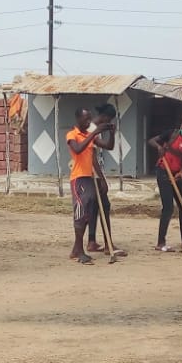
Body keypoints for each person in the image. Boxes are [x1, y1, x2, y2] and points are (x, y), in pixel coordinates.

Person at [67, 107, 116, 265]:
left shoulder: (90, 135)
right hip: (78, 178)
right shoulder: (72, 135)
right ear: (78, 120)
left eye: (90, 119)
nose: (89, 122)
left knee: (87, 214)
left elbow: (109, 146)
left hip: (88, 177)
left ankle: (77, 249)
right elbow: (78, 149)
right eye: (86, 120)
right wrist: (94, 133)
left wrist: (112, 134)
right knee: (80, 214)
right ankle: (80, 251)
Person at [149, 115, 182, 252]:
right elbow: (151, 141)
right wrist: (159, 147)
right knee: (168, 207)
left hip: (177, 175)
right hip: (163, 172)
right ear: (180, 126)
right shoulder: (171, 133)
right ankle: (160, 242)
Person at [87, 104, 126, 257]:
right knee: (105, 205)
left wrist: (112, 133)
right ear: (105, 117)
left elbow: (108, 146)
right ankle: (108, 244)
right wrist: (102, 179)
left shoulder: (97, 130)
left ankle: (91, 242)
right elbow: (92, 158)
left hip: (93, 173)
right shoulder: (91, 129)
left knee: (95, 208)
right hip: (91, 174)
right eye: (108, 120)